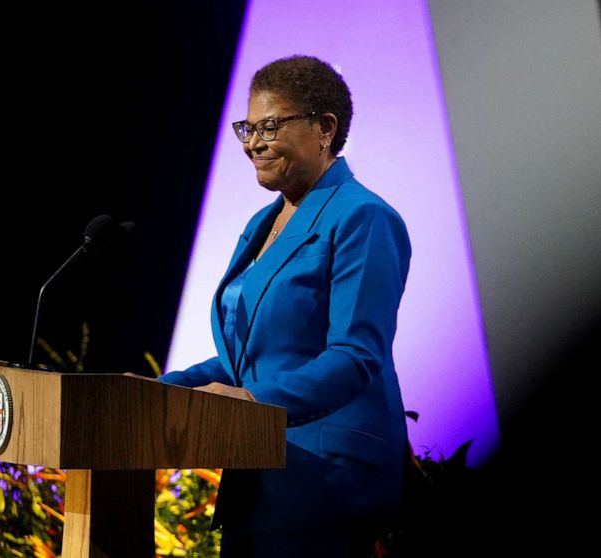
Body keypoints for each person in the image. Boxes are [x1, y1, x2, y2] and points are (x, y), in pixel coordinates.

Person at [158, 55, 411, 556]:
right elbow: (247, 359)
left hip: (326, 477)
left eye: (269, 126)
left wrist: (252, 405)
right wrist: (157, 392)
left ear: (325, 128)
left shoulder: (364, 217)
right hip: (260, 470)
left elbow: (356, 354)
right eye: (248, 128)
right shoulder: (261, 223)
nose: (252, 142)